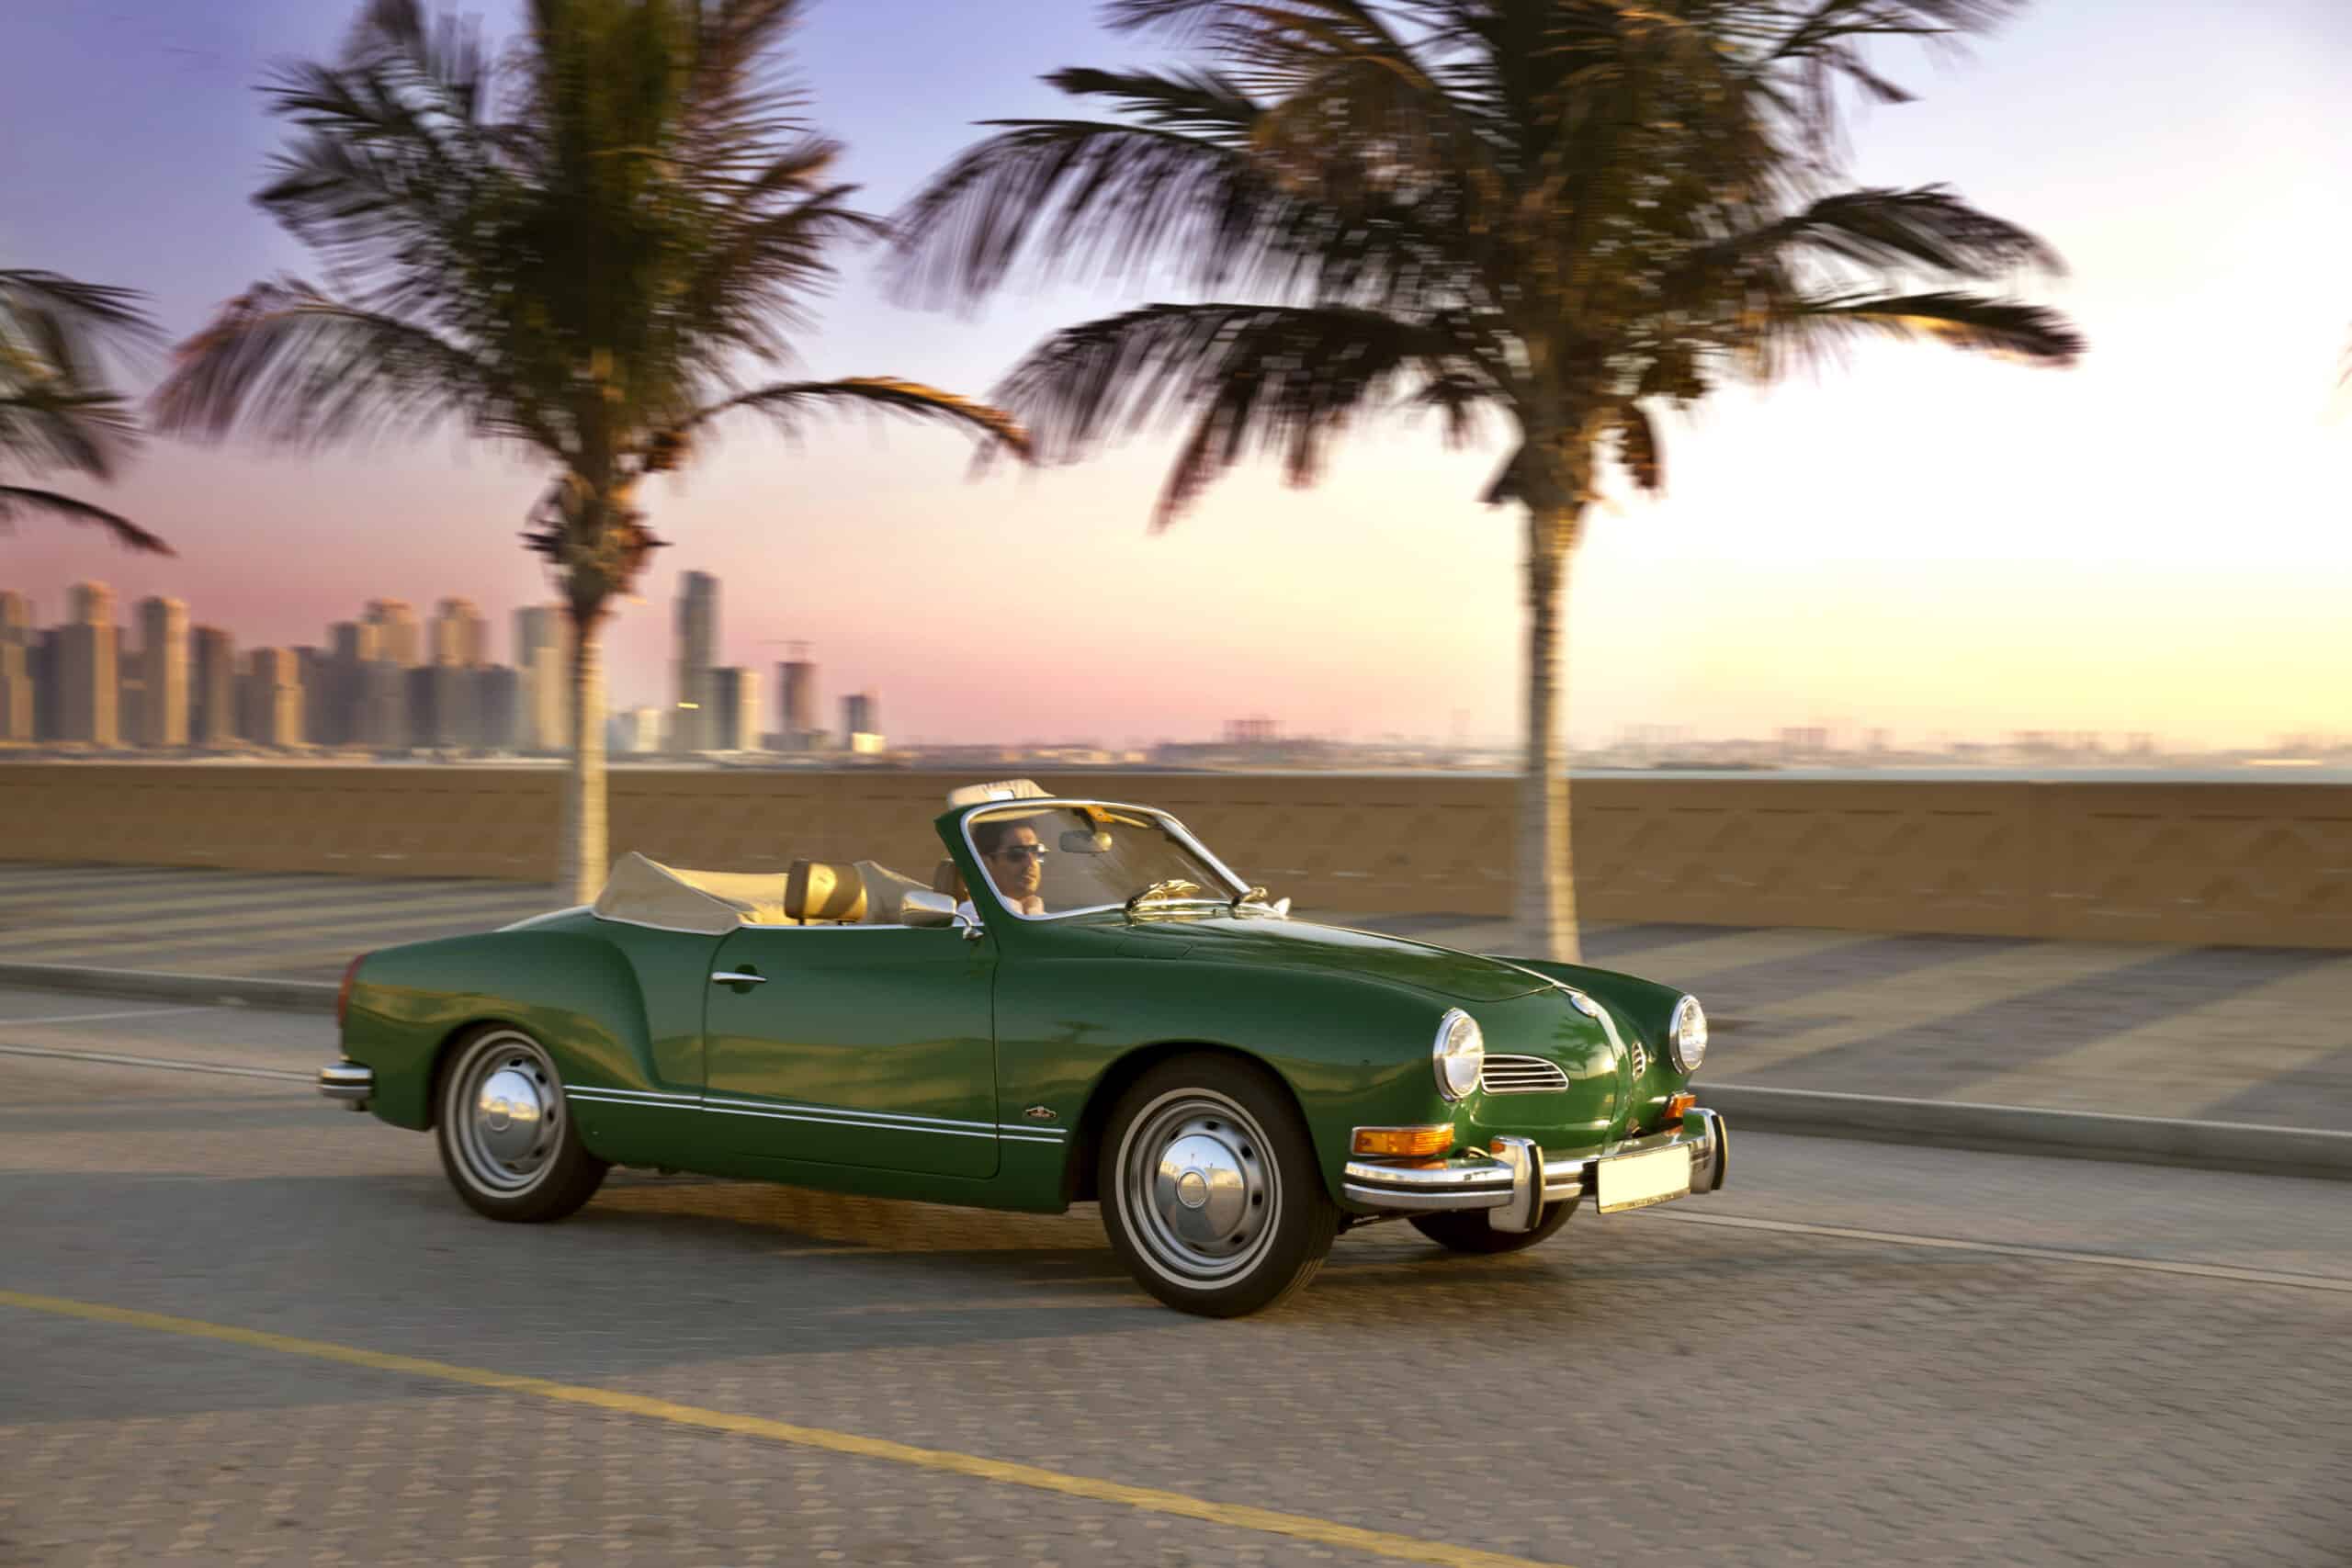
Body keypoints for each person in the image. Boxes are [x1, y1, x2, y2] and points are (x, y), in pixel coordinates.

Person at [969, 816, 1047, 917]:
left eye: (1036, 851)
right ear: (986, 864)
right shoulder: (972, 918)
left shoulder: (1040, 914)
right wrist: (1034, 915)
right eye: (1017, 853)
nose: (1031, 863)